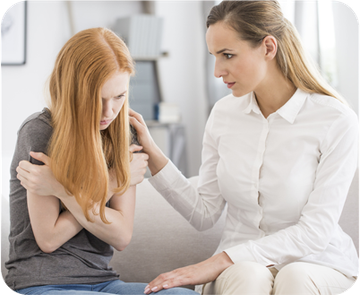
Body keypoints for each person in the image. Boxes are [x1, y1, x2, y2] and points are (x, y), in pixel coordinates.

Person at [129, 0, 359, 295]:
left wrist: (217, 261)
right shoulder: (223, 114)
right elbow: (204, 213)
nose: (217, 71)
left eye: (227, 55)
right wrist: (152, 153)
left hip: (318, 262)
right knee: (248, 274)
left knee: (296, 277)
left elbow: (315, 232)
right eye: (214, 56)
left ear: (268, 47)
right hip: (240, 271)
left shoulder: (335, 119)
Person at [6, 27, 198, 295]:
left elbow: (121, 236)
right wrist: (112, 182)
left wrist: (62, 190)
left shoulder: (122, 133)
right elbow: (49, 239)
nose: (109, 112)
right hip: (41, 282)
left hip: (104, 282)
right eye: (96, 99)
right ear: (71, 91)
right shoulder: (40, 132)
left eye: (119, 97)